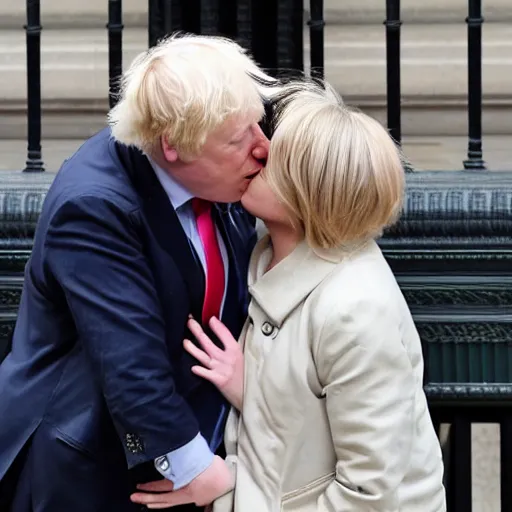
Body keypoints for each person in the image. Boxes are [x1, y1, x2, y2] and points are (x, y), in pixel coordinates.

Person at [0, 33, 276, 512]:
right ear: (173, 145)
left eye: (258, 124)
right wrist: (203, 470)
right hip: (86, 471)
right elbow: (129, 363)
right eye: (238, 139)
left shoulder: (218, 173)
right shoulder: (94, 207)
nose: (263, 148)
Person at [167, 82, 447, 511]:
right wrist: (249, 389)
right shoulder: (263, 254)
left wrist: (225, 488)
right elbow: (302, 438)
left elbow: (368, 495)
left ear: (309, 192)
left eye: (275, 157)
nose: (258, 153)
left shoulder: (355, 310)